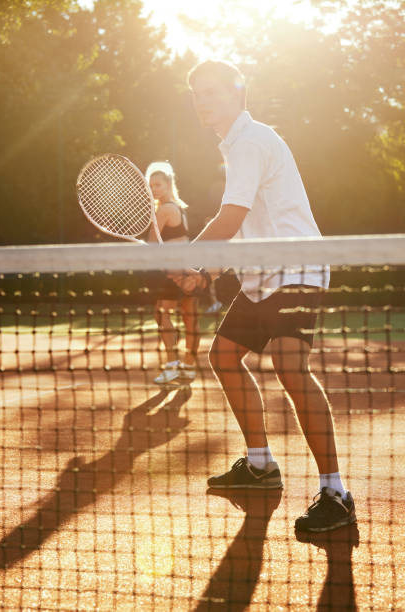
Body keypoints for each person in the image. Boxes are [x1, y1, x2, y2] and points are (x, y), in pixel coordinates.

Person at [172, 60, 356, 532]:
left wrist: (190, 260)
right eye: (197, 93)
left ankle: (336, 492)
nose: (203, 100)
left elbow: (230, 217)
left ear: (238, 93)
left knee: (289, 366)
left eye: (212, 91)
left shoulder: (250, 141)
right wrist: (204, 272)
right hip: (263, 276)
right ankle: (260, 465)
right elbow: (240, 233)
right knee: (225, 356)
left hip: (295, 270)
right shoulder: (236, 146)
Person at [146, 161, 199, 385]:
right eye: (151, 186)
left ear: (168, 184)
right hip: (188, 270)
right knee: (190, 318)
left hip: (175, 273)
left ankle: (171, 366)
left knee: (162, 314)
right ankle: (188, 366)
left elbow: (152, 243)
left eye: (158, 184)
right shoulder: (179, 208)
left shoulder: (165, 209)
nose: (154, 189)